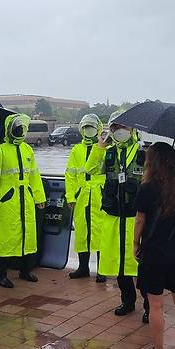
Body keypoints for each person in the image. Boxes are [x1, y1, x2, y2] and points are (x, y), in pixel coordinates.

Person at [134, 142, 175, 349]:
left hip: (154, 253)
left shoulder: (147, 187)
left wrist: (135, 243)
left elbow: (140, 219)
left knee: (156, 305)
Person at [85, 111, 149, 322]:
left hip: (136, 216)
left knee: (140, 264)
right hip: (114, 216)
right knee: (119, 263)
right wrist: (99, 148)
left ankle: (149, 304)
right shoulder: (109, 153)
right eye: (114, 127)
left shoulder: (142, 152)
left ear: (132, 129)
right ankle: (127, 300)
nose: (118, 131)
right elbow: (91, 169)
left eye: (122, 126)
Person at [0, 113, 46, 288]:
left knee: (27, 235)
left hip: (25, 198)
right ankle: (1, 275)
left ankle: (25, 270)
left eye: (22, 127)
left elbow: (34, 175)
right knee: (5, 237)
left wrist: (39, 197)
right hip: (7, 200)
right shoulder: (0, 150)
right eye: (17, 128)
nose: (20, 130)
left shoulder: (27, 149)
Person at [65, 114, 106, 282]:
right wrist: (70, 196)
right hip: (82, 196)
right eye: (86, 128)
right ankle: (83, 267)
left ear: (98, 129)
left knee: (100, 231)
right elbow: (70, 175)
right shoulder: (76, 150)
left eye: (91, 127)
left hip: (99, 195)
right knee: (82, 232)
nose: (88, 130)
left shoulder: (105, 148)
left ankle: (102, 270)